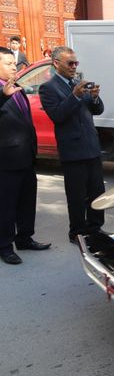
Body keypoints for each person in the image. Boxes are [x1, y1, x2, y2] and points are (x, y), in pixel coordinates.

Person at [40, 46, 105, 245]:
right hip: (73, 151)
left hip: (92, 147)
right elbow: (58, 115)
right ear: (56, 63)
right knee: (77, 195)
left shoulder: (78, 83)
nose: (74, 67)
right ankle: (77, 231)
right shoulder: (48, 88)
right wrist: (75, 96)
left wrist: (94, 96)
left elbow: (97, 110)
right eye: (70, 63)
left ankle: (95, 228)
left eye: (76, 63)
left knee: (97, 191)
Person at [0, 47, 50, 264]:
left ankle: (25, 238)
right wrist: (2, 96)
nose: (14, 67)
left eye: (14, 63)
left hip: (26, 156)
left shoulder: (17, 87)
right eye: (9, 63)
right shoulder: (4, 92)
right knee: (6, 205)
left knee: (26, 201)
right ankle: (4, 246)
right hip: (6, 160)